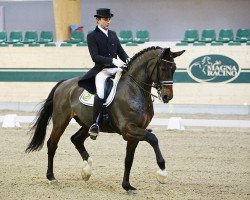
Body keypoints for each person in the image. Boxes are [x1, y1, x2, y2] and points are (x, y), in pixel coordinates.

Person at [78, 8, 129, 139]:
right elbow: (95, 57)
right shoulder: (92, 36)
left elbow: (121, 52)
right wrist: (112, 60)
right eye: (106, 19)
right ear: (98, 20)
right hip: (102, 71)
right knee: (100, 93)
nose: (108, 22)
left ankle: (133, 121)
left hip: (116, 70)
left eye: (109, 19)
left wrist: (128, 60)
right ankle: (94, 124)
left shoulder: (113, 34)